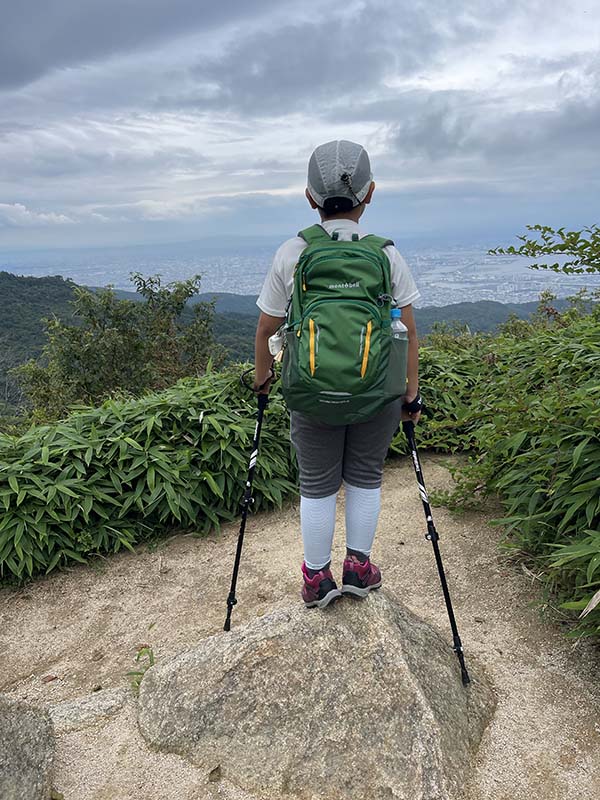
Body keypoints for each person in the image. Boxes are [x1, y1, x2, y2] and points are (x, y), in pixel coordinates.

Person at [253, 139, 421, 609]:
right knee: (365, 475)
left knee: (317, 482)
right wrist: (411, 396)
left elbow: (267, 325)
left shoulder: (293, 252)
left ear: (310, 197)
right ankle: (358, 568)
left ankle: (315, 579)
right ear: (370, 194)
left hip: (310, 389)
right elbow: (406, 332)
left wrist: (262, 378)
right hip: (377, 392)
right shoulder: (385, 254)